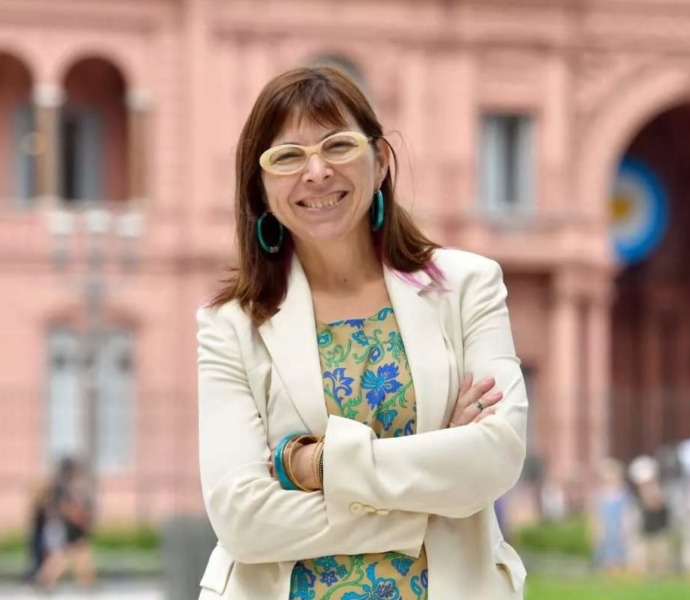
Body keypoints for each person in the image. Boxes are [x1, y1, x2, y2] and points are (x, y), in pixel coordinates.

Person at [196, 66, 529, 599]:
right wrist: (428, 495)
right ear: (260, 187)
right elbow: (242, 520)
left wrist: (311, 464)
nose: (316, 171)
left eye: (338, 145)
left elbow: (496, 457)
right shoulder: (231, 326)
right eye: (287, 157)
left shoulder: (468, 286)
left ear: (381, 163)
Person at [35, 457, 96, 590]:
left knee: (76, 553)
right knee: (63, 555)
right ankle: (44, 580)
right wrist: (79, 519)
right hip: (61, 527)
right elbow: (65, 508)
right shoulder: (61, 488)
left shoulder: (62, 487)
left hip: (63, 527)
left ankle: (86, 581)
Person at [587, 459, 635, 574]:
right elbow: (595, 514)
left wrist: (627, 530)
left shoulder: (624, 494)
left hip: (619, 529)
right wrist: (594, 530)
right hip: (604, 529)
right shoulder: (599, 495)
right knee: (603, 555)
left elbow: (627, 514)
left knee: (619, 556)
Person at [628, 455, 672, 578]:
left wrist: (651, 491)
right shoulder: (636, 494)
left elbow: (657, 505)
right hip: (645, 532)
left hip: (659, 531)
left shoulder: (659, 490)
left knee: (661, 561)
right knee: (645, 562)